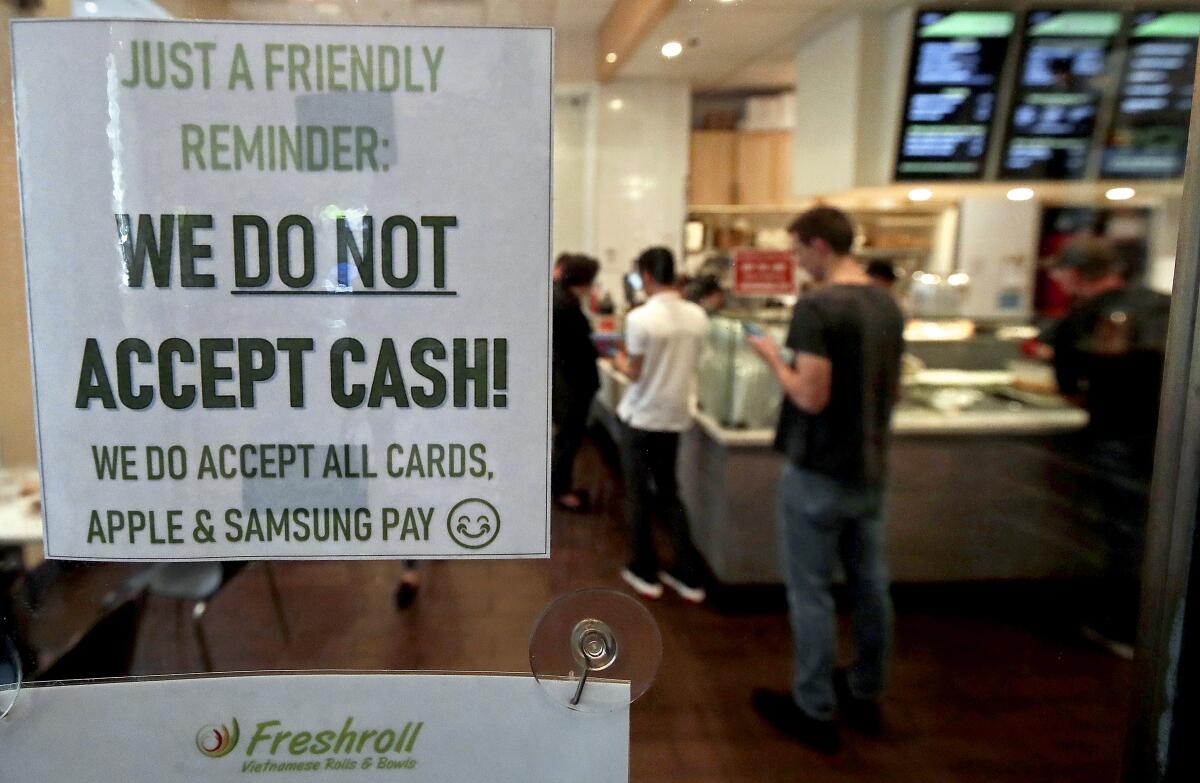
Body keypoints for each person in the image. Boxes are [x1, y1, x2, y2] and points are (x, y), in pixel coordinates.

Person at [745, 207, 905, 754]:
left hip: (819, 469)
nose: (794, 261)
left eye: (796, 251)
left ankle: (814, 708)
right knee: (870, 585)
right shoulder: (887, 303)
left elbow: (810, 394)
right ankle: (866, 688)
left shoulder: (818, 307)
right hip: (870, 466)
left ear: (818, 246)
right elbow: (895, 388)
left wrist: (771, 357)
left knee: (810, 592)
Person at [1045, 236, 1170, 657]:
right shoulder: (1163, 303)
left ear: (1076, 275)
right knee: (1161, 527)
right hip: (1170, 436)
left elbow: (1070, 388)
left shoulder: (1080, 318)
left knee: (1126, 532)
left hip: (1116, 435)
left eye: (1061, 273)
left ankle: (1123, 628)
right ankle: (1160, 621)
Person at [612, 247, 710, 603]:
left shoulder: (640, 318)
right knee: (670, 493)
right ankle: (688, 574)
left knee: (638, 495)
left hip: (641, 417)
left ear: (648, 277)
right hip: (675, 417)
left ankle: (644, 570)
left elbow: (634, 373)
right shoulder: (698, 316)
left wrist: (619, 359)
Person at [552, 253, 602, 510]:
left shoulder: (558, 297)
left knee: (565, 437)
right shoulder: (567, 307)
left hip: (565, 379)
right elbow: (581, 349)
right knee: (569, 438)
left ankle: (559, 486)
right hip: (573, 383)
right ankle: (561, 492)